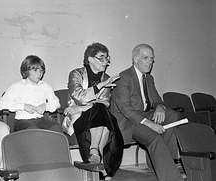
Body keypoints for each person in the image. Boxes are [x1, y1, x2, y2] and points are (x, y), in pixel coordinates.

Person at [110, 43, 184, 181]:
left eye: (152, 59)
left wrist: (160, 106)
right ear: (135, 59)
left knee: (172, 115)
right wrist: (149, 123)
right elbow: (125, 108)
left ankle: (160, 165)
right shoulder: (123, 77)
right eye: (145, 58)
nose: (150, 62)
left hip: (144, 116)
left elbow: (156, 99)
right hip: (129, 121)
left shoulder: (149, 78)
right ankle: (172, 178)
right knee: (154, 137)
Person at [63, 42, 124, 180]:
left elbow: (104, 102)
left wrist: (81, 107)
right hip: (79, 119)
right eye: (102, 58)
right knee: (102, 113)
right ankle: (100, 162)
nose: (106, 62)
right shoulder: (76, 74)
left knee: (102, 110)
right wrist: (100, 87)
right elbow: (79, 96)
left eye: (107, 58)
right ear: (90, 59)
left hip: (96, 115)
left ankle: (95, 152)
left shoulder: (107, 78)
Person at [0, 55, 63, 133]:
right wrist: (23, 106)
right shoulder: (17, 86)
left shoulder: (45, 86)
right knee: (33, 128)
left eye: (41, 71)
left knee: (56, 127)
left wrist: (45, 106)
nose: (39, 74)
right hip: (22, 121)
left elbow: (56, 103)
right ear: (27, 71)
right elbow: (1, 104)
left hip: (40, 120)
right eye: (35, 70)